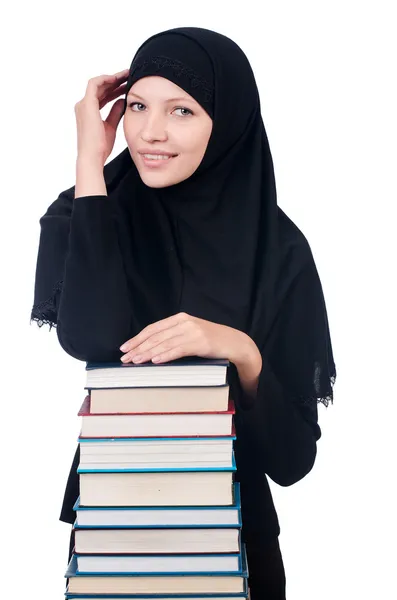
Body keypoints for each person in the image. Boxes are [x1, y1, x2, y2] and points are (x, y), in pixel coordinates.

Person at [30, 26, 336, 600]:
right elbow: (91, 337)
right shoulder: (84, 211)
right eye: (139, 105)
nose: (150, 132)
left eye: (182, 111)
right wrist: (90, 164)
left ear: (227, 123)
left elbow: (293, 460)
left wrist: (239, 350)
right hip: (111, 535)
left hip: (236, 541)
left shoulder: (280, 250)